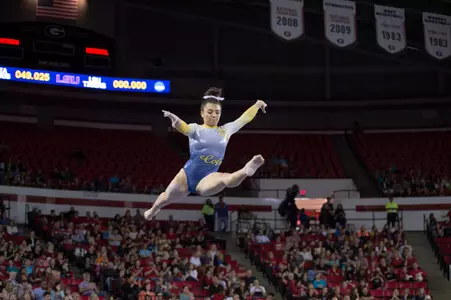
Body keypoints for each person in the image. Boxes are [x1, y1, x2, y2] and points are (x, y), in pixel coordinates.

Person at [144, 87, 267, 220]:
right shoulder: (196, 128)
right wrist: (176, 121)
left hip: (208, 176)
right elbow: (184, 128)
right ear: (202, 113)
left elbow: (244, 119)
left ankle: (246, 170)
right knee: (166, 198)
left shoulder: (226, 131)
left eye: (217, 112)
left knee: (226, 179)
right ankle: (153, 210)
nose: (214, 115)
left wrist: (257, 105)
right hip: (187, 175)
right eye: (210, 112)